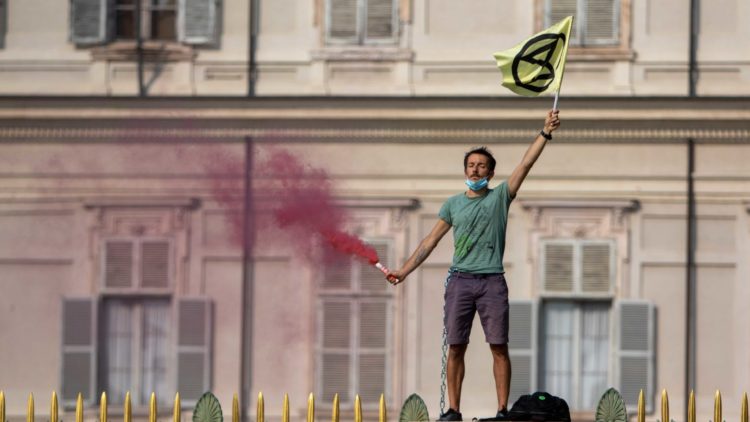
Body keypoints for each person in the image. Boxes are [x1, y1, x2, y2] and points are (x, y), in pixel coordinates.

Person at [384, 110, 561, 421]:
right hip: (460, 281)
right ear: (465, 170)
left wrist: (544, 132)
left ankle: (502, 410)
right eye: (471, 165)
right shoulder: (453, 204)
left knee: (499, 346)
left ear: (491, 173)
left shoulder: (500, 197)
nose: (475, 169)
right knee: (455, 346)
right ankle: (453, 409)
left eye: (481, 165)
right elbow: (429, 241)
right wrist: (404, 270)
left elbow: (526, 164)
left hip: (492, 281)